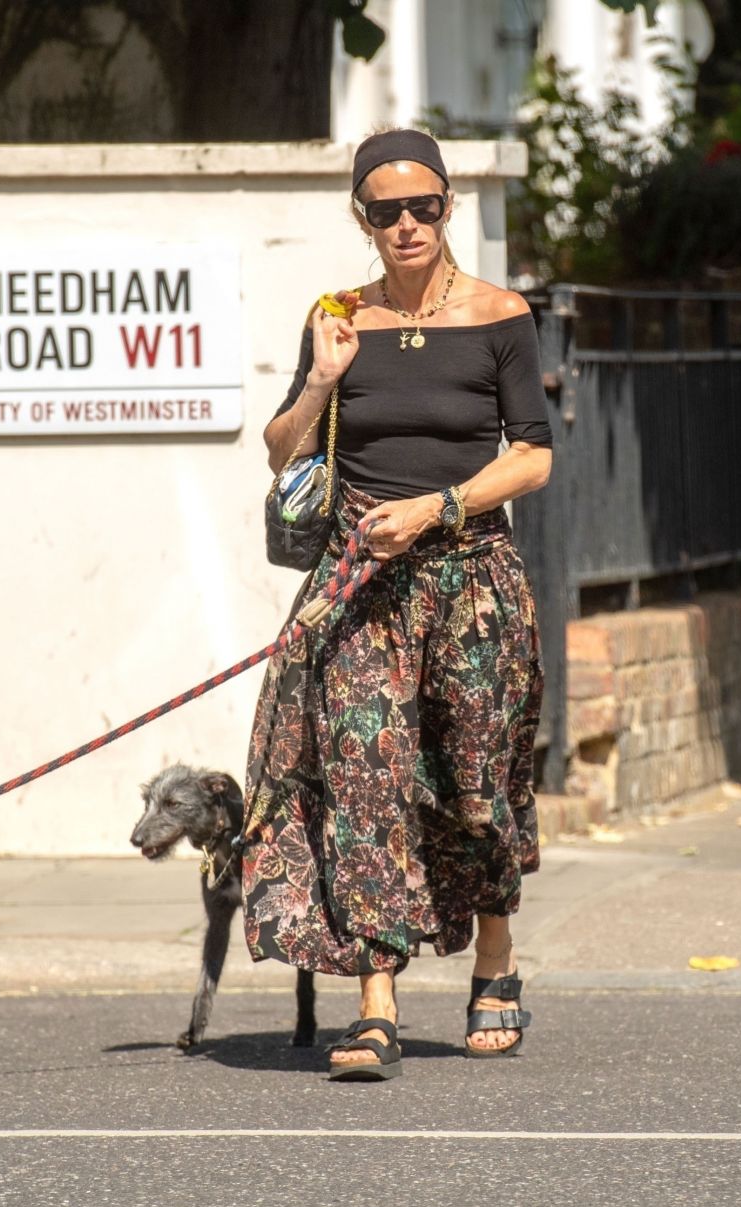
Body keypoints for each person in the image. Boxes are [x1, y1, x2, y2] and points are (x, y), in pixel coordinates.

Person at [242, 129, 553, 1081]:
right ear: (363, 219)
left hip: (471, 581)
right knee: (363, 776)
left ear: (449, 206)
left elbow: (533, 455)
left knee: (476, 780)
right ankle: (374, 998)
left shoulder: (502, 315)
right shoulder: (337, 317)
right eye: (386, 211)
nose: (407, 224)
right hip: (360, 584)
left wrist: (440, 506)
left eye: (423, 206)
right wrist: (327, 376)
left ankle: (495, 959)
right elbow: (283, 449)